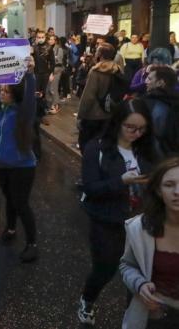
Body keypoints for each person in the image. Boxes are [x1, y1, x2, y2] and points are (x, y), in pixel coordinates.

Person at [77, 99, 156, 326]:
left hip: (141, 221)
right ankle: (87, 299)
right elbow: (91, 188)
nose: (136, 133)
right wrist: (120, 181)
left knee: (142, 271)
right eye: (130, 127)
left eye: (141, 129)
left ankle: (134, 314)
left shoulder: (145, 149)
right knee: (106, 267)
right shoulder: (97, 148)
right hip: (106, 220)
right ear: (118, 123)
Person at [0, 57, 39, 263]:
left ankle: (32, 243)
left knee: (21, 203)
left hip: (22, 167)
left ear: (15, 95)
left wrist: (29, 74)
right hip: (1, 166)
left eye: (5, 91)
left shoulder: (23, 112)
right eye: (1, 90)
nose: (1, 93)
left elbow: (30, 96)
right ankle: (10, 229)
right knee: (9, 199)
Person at [119, 157, 179, 329]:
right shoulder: (141, 228)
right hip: (154, 318)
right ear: (159, 191)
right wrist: (140, 284)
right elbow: (126, 266)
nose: (177, 191)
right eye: (169, 184)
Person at [77, 42, 124, 152]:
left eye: (97, 50)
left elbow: (88, 96)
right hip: (109, 113)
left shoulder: (96, 71)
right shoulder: (118, 70)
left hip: (93, 115)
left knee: (87, 146)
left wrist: (81, 115)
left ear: (101, 54)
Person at [141, 66, 179, 156]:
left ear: (160, 83)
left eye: (150, 79)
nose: (145, 81)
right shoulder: (174, 101)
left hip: (154, 156)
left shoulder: (149, 103)